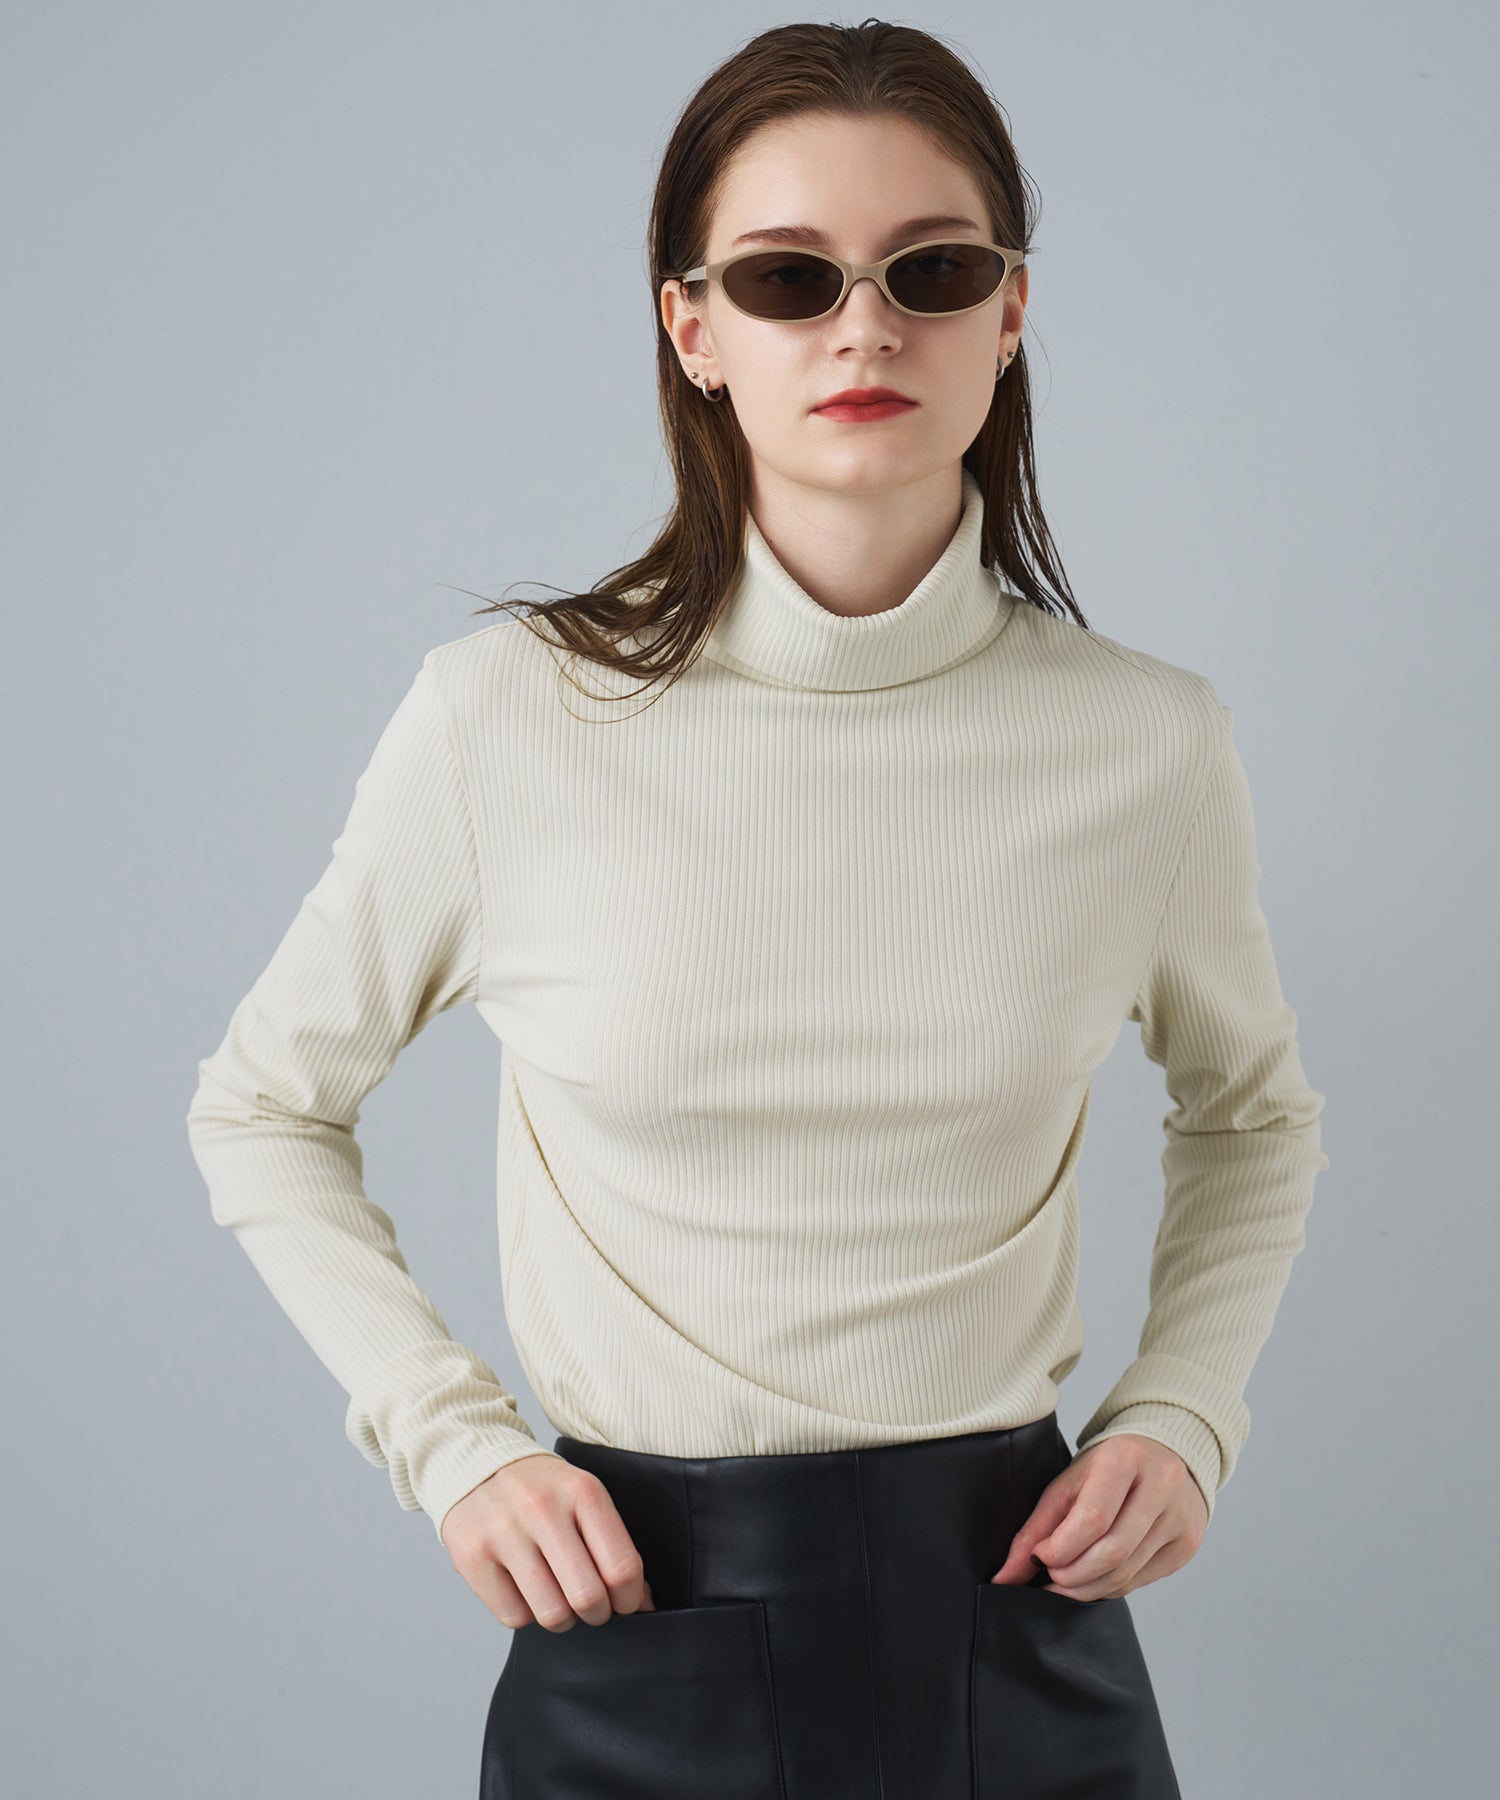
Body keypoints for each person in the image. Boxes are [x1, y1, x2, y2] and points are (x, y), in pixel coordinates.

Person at [186, 19, 1328, 1799]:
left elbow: (1253, 1117)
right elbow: (262, 1106)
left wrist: (1187, 1411)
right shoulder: (506, 720)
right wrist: (453, 1443)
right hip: (642, 1637)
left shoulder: (1148, 744)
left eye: (931, 271)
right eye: (791, 278)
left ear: (1010, 313)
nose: (865, 328)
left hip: (1017, 1631)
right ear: (693, 327)